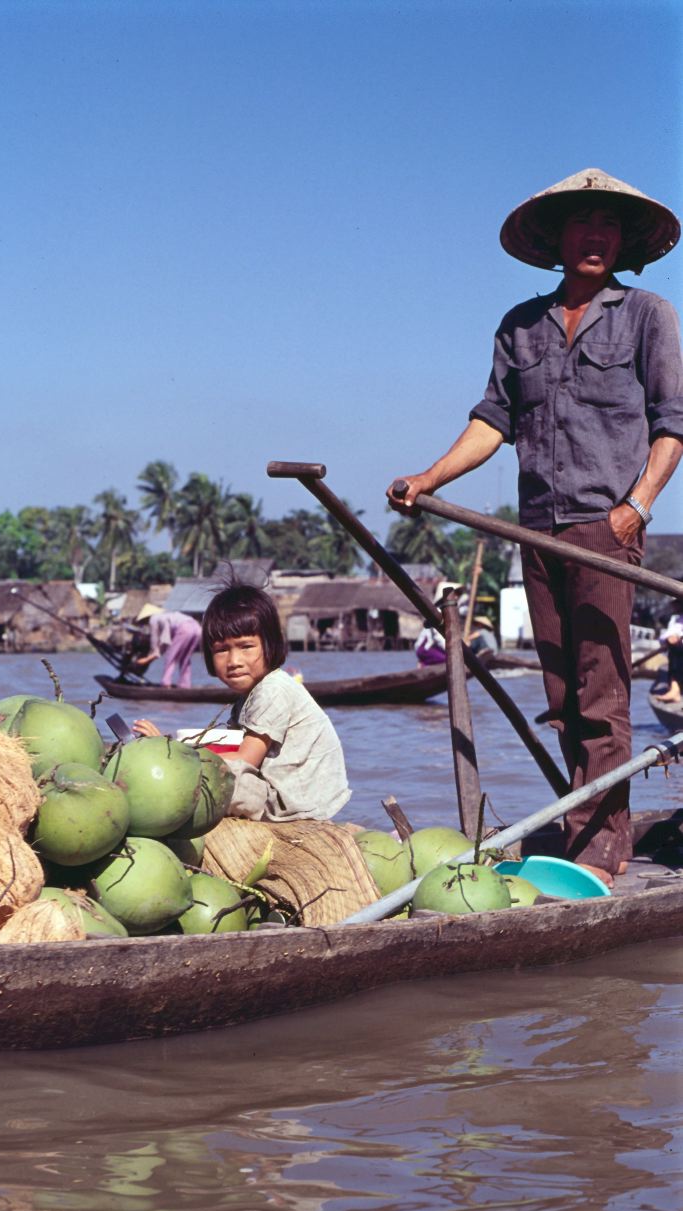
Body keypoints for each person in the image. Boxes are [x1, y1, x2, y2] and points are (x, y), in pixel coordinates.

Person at [387, 168, 683, 886]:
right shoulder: (520, 325)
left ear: (623, 241)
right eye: (581, 223)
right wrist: (429, 478)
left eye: (607, 225)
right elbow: (492, 422)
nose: (594, 236)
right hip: (536, 532)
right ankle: (585, 823)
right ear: (556, 239)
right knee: (560, 696)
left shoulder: (647, 314)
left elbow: (672, 426)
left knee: (602, 689)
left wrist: (636, 507)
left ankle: (603, 845)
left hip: (605, 529)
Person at [135, 584, 351, 820]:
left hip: (294, 800)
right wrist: (176, 746)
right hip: (282, 789)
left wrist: (174, 755)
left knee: (213, 777)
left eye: (246, 646)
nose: (234, 661)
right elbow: (232, 748)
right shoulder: (248, 697)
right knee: (203, 765)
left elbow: (246, 759)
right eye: (221, 650)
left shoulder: (273, 690)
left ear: (270, 644)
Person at [133, 604, 202, 689]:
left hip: (184, 629)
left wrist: (150, 657)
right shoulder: (165, 615)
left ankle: (166, 683)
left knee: (170, 657)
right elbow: (165, 640)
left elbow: (155, 640)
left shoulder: (153, 619)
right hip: (197, 628)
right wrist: (156, 653)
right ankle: (185, 685)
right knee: (185, 659)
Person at [654, 596, 683, 703]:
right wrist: (670, 639)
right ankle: (674, 689)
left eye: (678, 602)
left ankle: (675, 690)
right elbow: (667, 635)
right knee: (674, 651)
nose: (674, 606)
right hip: (676, 651)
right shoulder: (674, 618)